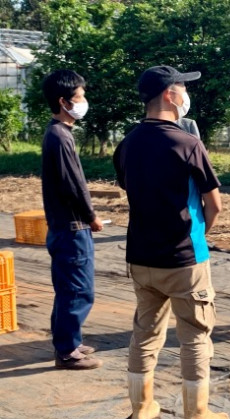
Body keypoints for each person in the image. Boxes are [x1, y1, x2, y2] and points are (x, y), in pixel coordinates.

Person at [113, 65, 228, 419]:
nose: (185, 95)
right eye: (182, 87)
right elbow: (214, 205)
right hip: (183, 259)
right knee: (194, 335)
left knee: (145, 332)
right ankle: (196, 416)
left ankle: (140, 409)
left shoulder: (127, 144)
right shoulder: (187, 143)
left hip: (141, 257)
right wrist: (200, 235)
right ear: (169, 94)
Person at [41, 69, 104, 370]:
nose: (84, 101)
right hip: (72, 228)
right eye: (80, 96)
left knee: (68, 288)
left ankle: (69, 341)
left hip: (64, 227)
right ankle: (66, 352)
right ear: (64, 102)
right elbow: (73, 185)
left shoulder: (58, 133)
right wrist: (91, 217)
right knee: (78, 290)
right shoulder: (59, 137)